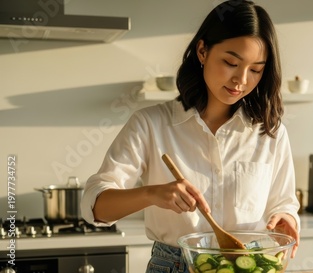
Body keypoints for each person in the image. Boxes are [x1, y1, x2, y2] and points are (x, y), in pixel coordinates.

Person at [80, 1, 300, 272]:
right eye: (231, 62)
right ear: (203, 51)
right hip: (173, 265)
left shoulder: (270, 133)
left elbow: (283, 202)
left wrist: (286, 218)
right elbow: (96, 207)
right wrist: (153, 194)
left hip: (247, 264)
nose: (241, 80)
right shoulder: (151, 124)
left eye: (255, 69)